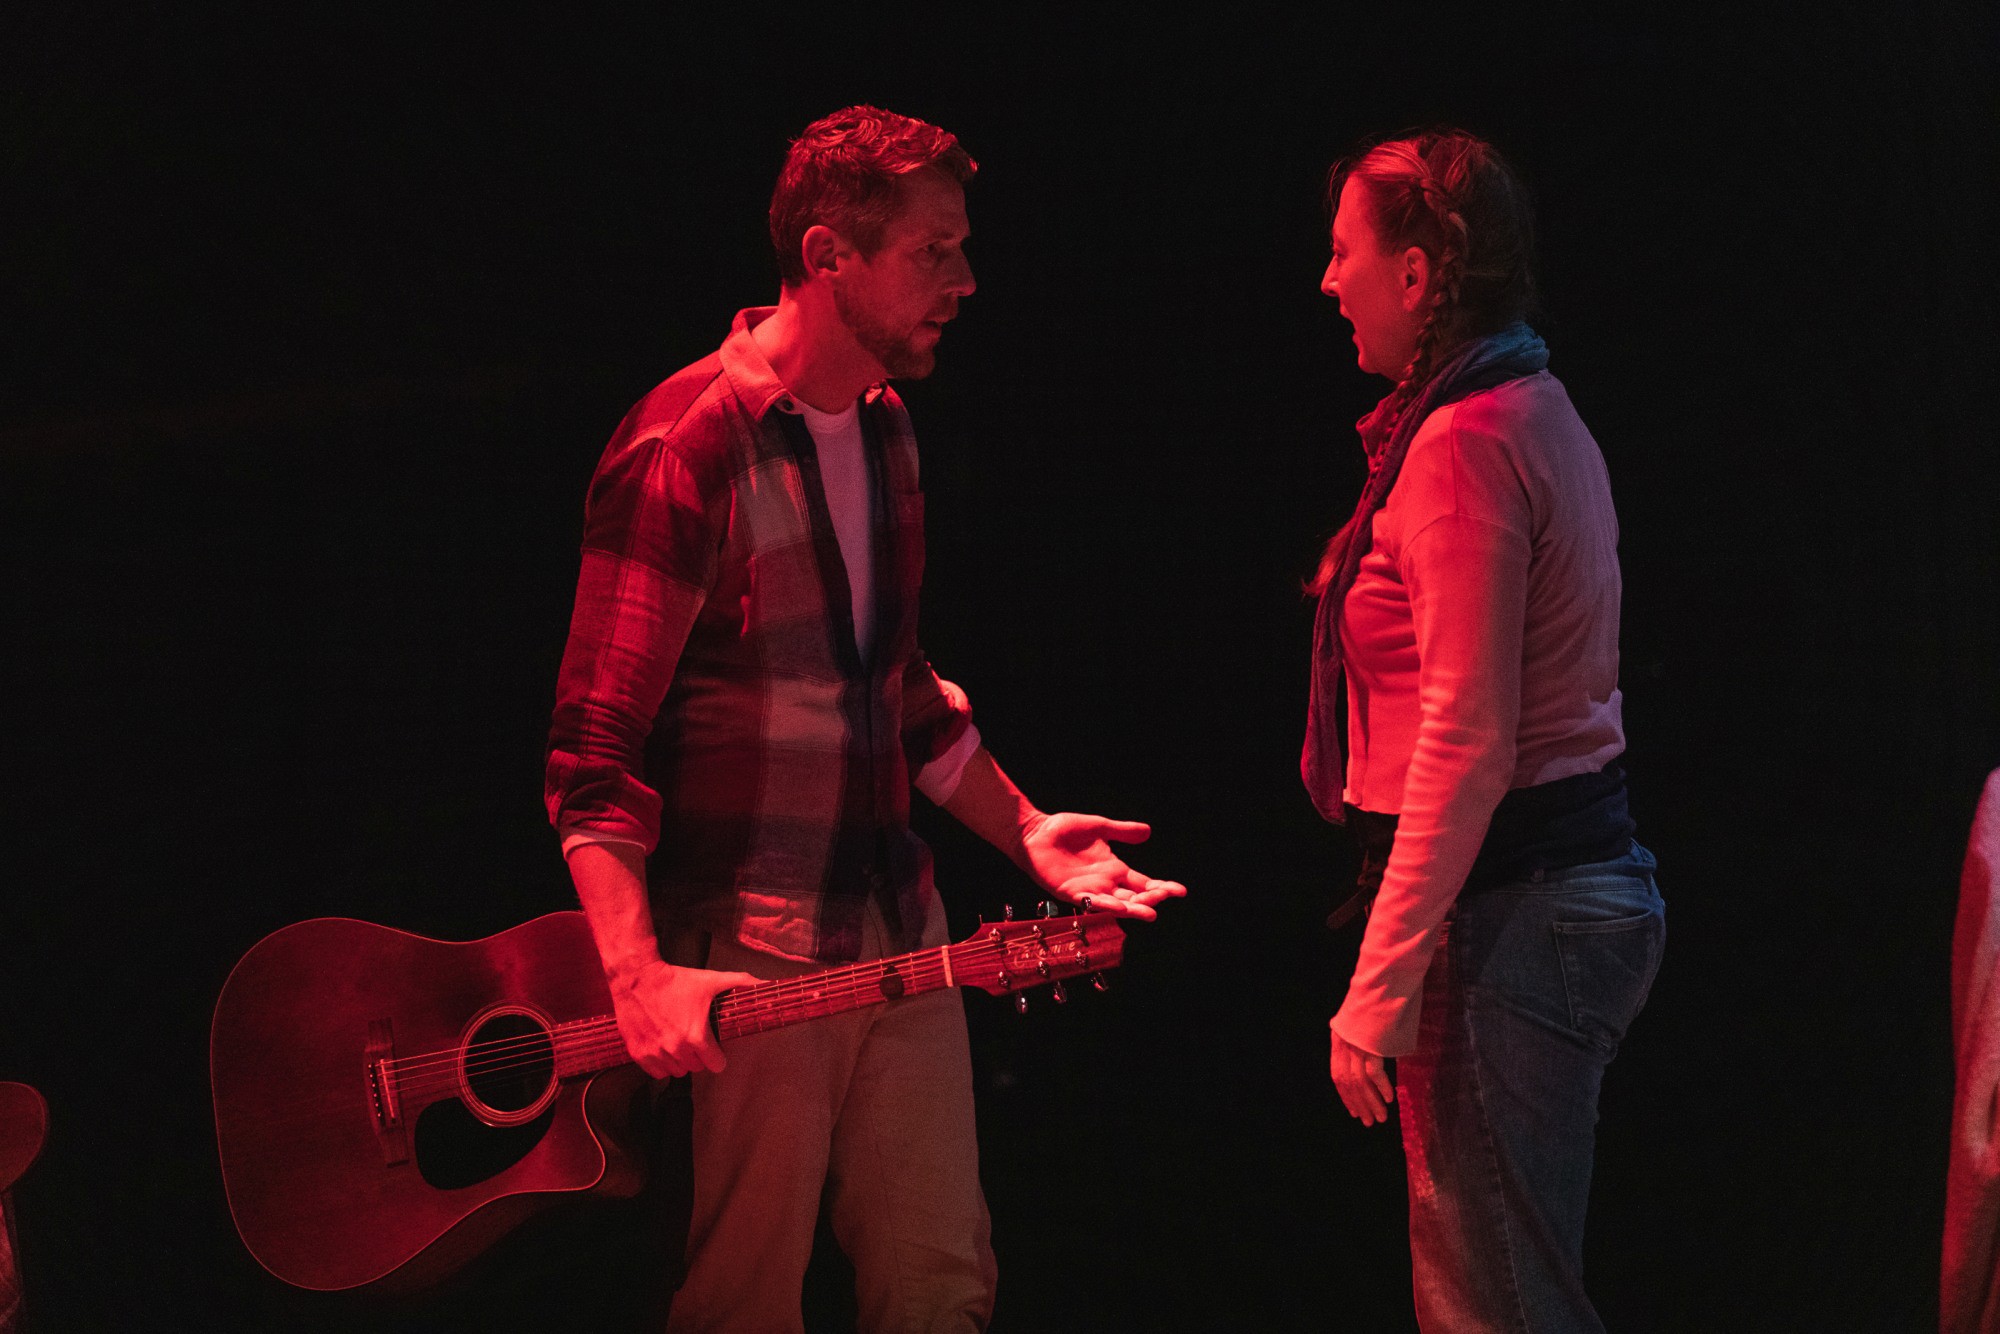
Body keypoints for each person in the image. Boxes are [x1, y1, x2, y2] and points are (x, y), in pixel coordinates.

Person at [544, 105, 1184, 1333]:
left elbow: (892, 687)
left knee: (941, 1287)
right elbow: (592, 742)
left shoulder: (884, 422)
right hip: (749, 952)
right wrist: (634, 973)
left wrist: (1025, 829)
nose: (964, 278)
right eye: (933, 251)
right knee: (740, 1304)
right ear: (828, 255)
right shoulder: (686, 445)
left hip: (897, 928)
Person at [1303, 128, 1665, 1332]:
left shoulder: (1463, 444)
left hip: (1513, 909)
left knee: (1495, 1307)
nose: (1327, 280)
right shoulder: (1531, 403)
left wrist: (1378, 983)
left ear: (1414, 275)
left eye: (1344, 251)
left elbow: (1465, 742)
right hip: (1554, 896)